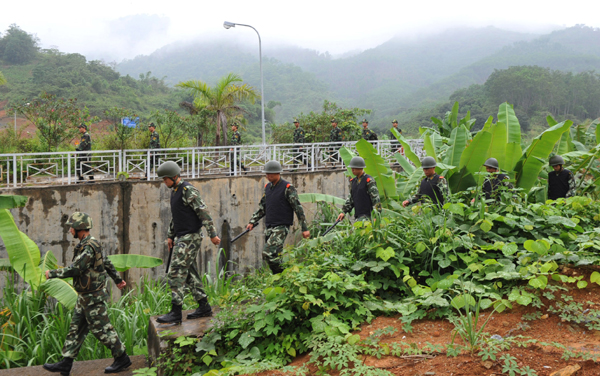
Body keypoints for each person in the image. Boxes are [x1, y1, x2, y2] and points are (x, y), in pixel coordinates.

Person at [43, 212, 131, 375]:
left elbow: (77, 268)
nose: (70, 231)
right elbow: (106, 262)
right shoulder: (91, 243)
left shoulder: (89, 247)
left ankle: (122, 357)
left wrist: (53, 274)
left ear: (79, 228)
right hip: (85, 297)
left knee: (102, 329)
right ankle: (66, 363)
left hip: (93, 297)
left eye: (72, 227)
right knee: (75, 329)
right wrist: (118, 279)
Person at [156, 161, 221, 324]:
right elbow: (176, 217)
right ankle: (204, 306)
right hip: (181, 236)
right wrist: (171, 235)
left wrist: (212, 234)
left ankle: (176, 312)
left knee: (176, 271)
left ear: (173, 176)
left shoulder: (187, 190)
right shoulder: (175, 191)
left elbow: (203, 212)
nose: (164, 182)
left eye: (165, 179)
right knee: (191, 273)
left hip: (190, 237)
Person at [246, 161, 310, 274]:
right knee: (275, 256)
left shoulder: (287, 188)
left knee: (267, 253)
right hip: (269, 226)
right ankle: (280, 279)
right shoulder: (268, 188)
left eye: (269, 174)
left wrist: (304, 228)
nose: (267, 176)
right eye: (266, 173)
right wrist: (252, 221)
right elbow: (263, 207)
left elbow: (298, 209)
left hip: (281, 226)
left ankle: (283, 273)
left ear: (277, 173)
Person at [336, 156, 382, 221]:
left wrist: (376, 217)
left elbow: (376, 200)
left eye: (354, 168)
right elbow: (350, 199)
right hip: (358, 217)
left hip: (368, 217)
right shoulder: (353, 181)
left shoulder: (369, 181)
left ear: (360, 168)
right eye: (352, 168)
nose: (352, 170)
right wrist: (343, 212)